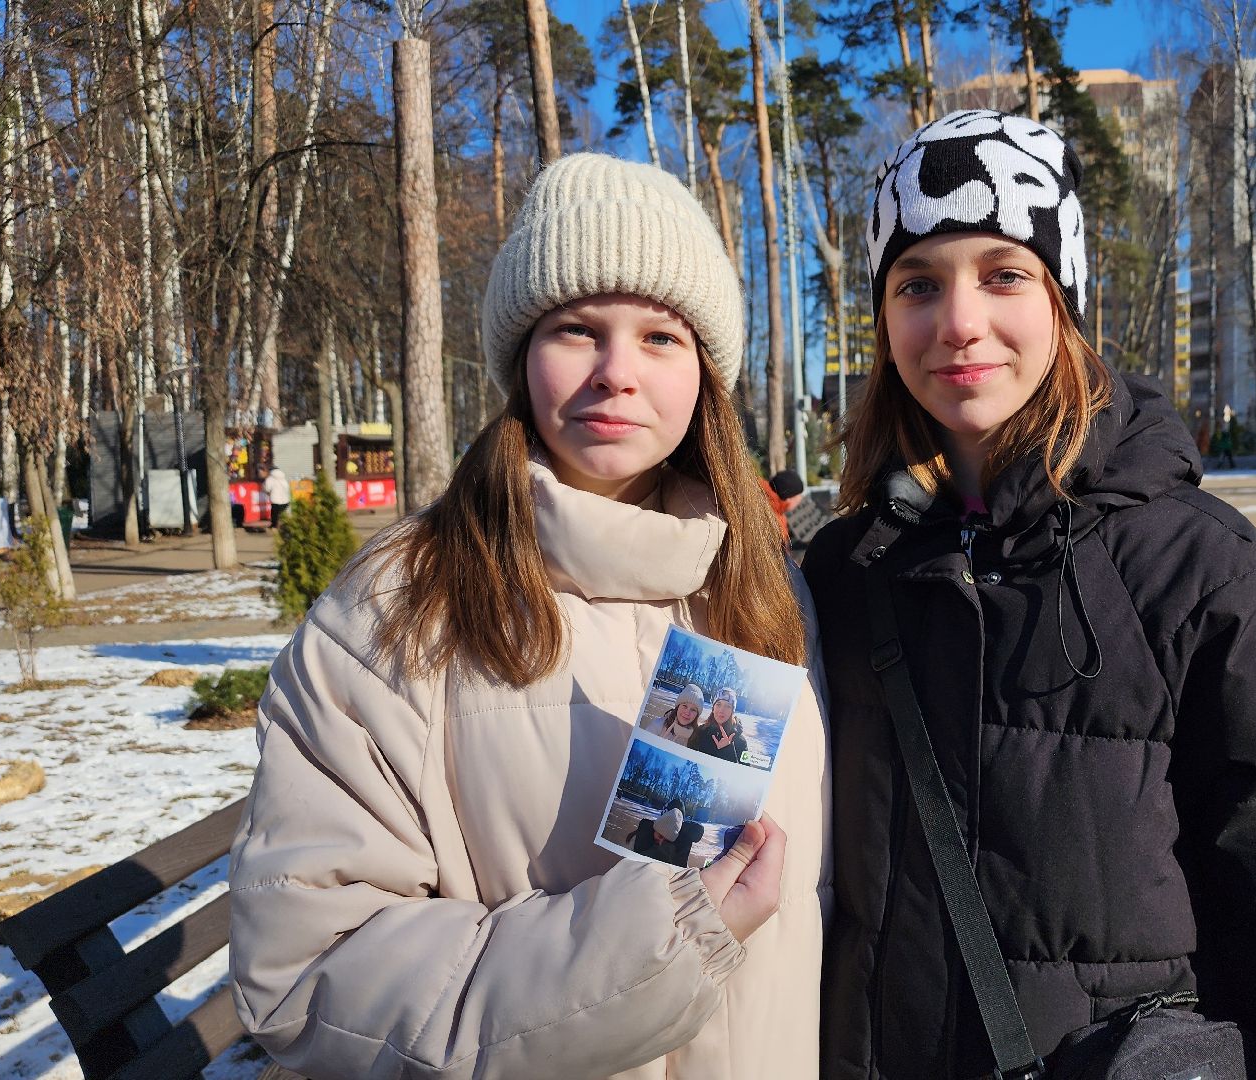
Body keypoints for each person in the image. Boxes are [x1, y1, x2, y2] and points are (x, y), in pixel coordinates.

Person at [801, 110, 1256, 1079]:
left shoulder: (1198, 572)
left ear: (1063, 299)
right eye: (916, 285)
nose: (958, 322)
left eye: (1003, 274)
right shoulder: (842, 575)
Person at [229, 153, 830, 1080]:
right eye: (577, 330)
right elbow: (305, 978)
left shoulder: (761, 590)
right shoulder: (394, 615)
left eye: (662, 338)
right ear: (522, 357)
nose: (616, 373)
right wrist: (648, 947)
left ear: (708, 373)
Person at [629, 802, 706, 868]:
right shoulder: (641, 837)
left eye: (667, 841)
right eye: (660, 836)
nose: (660, 842)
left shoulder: (679, 848)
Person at [689, 686, 749, 764]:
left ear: (732, 711)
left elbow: (745, 772)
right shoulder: (700, 731)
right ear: (713, 708)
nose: (721, 710)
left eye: (728, 706)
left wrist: (728, 749)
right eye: (718, 704)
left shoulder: (741, 741)